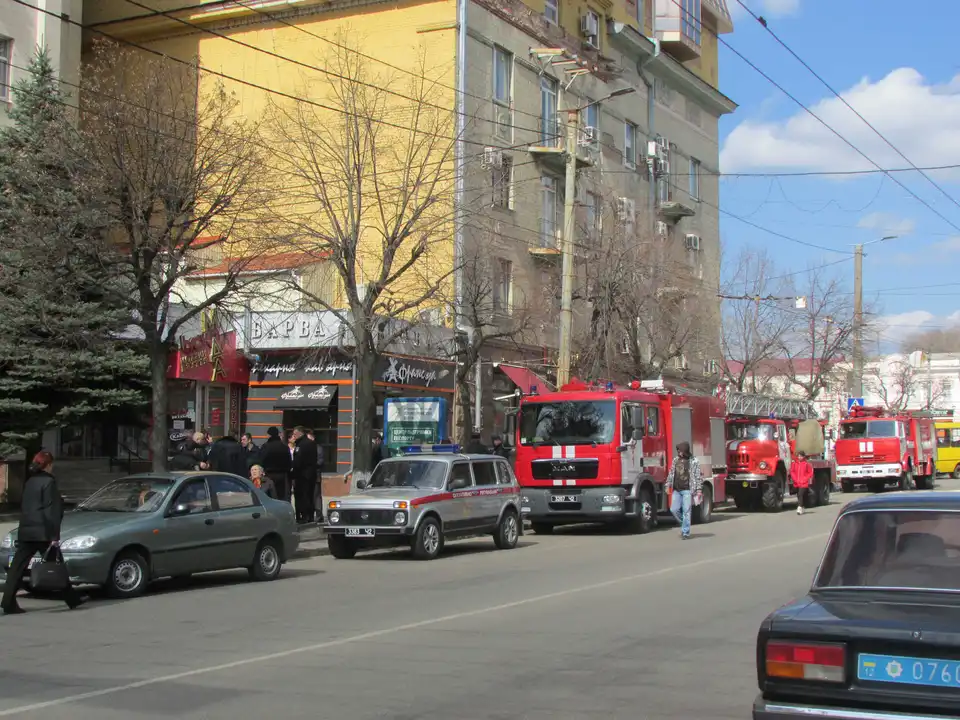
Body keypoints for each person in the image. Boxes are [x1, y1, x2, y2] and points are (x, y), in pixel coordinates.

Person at [2, 451, 85, 614]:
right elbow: (51, 511)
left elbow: (26, 507)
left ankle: (7, 601)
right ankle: (72, 599)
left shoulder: (30, 481)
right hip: (43, 532)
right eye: (51, 464)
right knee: (56, 564)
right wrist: (54, 536)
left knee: (17, 568)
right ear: (48, 465)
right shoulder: (49, 482)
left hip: (27, 530)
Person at [665, 441, 703, 540]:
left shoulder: (694, 461)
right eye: (678, 451)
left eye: (680, 451)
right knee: (674, 509)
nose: (679, 452)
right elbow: (671, 473)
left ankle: (685, 532)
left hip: (687, 490)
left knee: (687, 511)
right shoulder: (675, 460)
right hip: (676, 490)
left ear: (685, 451)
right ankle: (685, 523)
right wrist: (668, 485)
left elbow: (698, 476)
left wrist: (699, 490)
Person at [291, 426, 319, 524]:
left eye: (295, 434)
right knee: (310, 495)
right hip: (311, 474)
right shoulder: (312, 443)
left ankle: (304, 516)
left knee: (302, 496)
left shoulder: (301, 445)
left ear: (300, 433)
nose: (293, 436)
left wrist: (293, 472)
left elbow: (298, 461)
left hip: (302, 475)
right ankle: (310, 515)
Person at [260, 427, 292, 501]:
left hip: (269, 474)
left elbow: (261, 460)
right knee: (282, 497)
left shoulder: (265, 446)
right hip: (283, 476)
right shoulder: (285, 447)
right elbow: (289, 462)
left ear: (269, 435)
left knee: (270, 496)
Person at [791, 451, 814, 515]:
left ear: (803, 457)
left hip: (803, 483)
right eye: (798, 456)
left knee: (800, 494)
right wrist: (795, 479)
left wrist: (805, 479)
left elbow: (810, 472)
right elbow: (792, 471)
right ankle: (802, 506)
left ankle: (799, 507)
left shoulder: (806, 464)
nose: (799, 457)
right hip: (796, 482)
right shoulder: (794, 463)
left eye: (801, 456)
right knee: (799, 495)